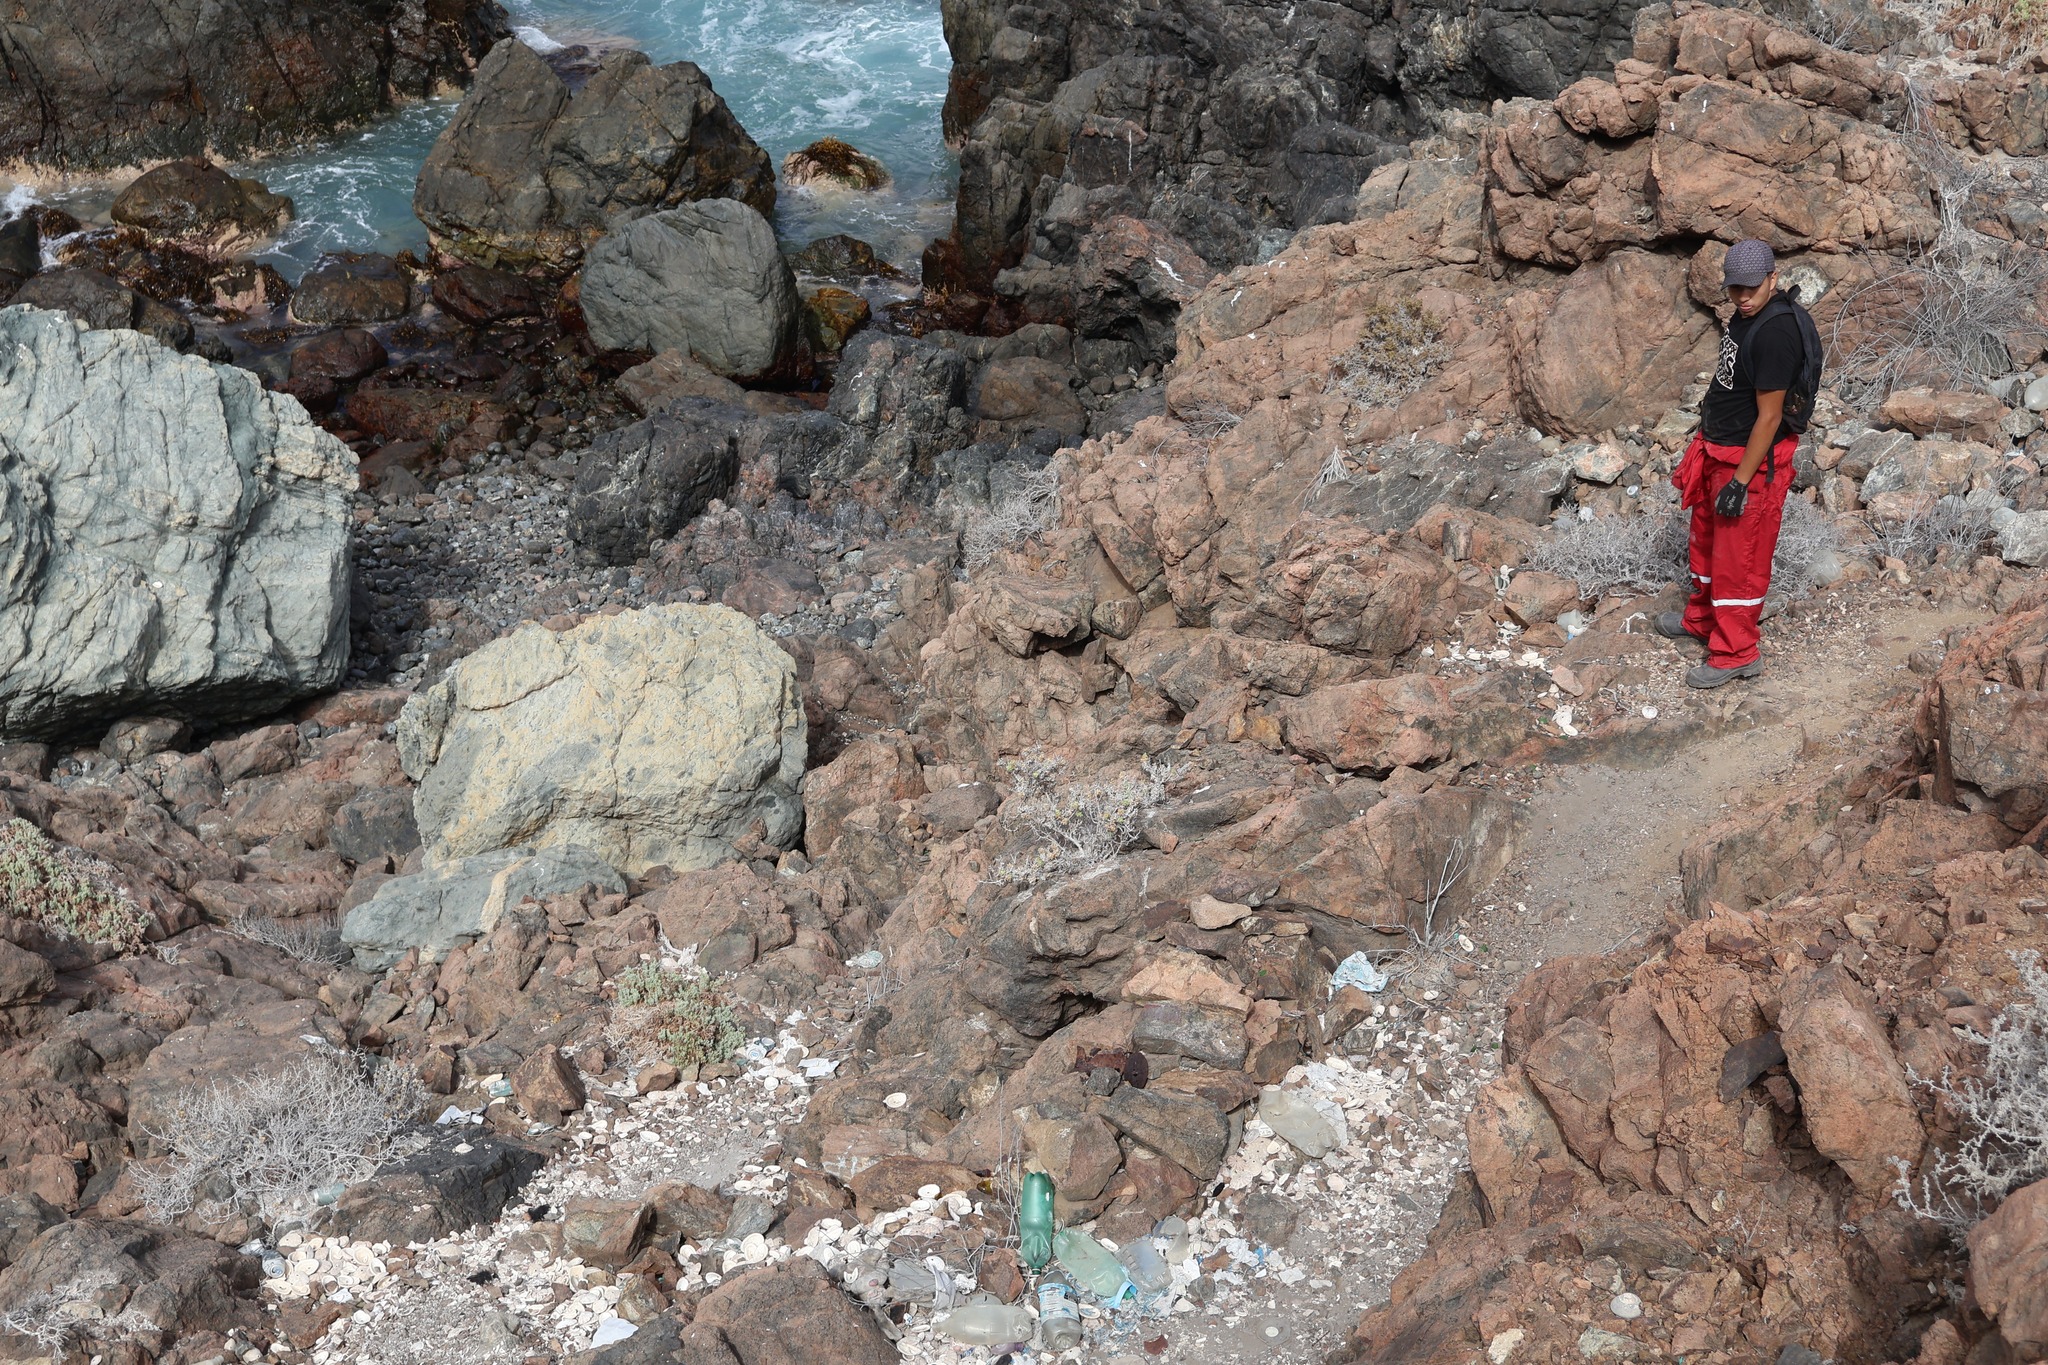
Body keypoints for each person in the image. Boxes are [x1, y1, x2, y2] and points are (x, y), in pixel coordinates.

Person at [1659, 238, 1808, 688]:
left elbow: (1770, 416)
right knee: (1706, 548)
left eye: (1751, 288)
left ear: (1772, 279)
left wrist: (1741, 483)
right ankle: (1703, 620)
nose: (1742, 297)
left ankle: (1737, 652)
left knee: (1737, 562)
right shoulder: (1746, 316)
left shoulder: (1777, 333)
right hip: (1718, 452)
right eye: (1734, 288)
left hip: (1750, 464)